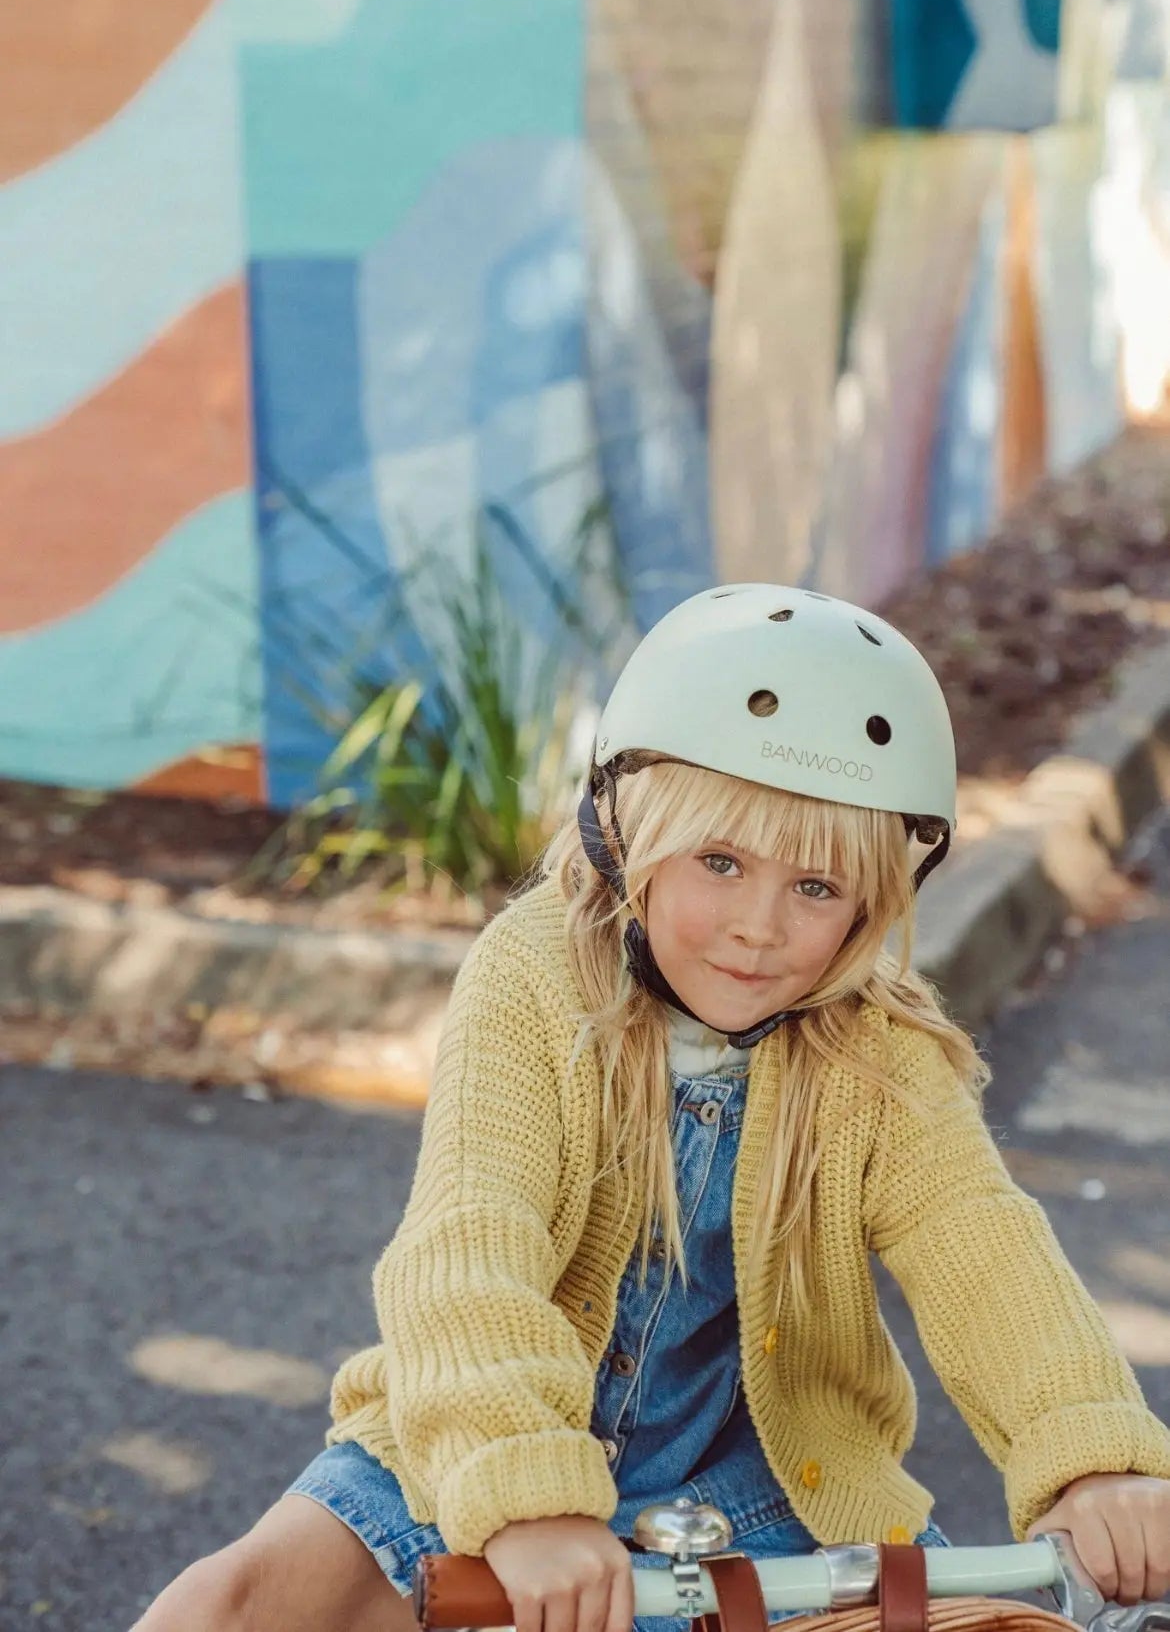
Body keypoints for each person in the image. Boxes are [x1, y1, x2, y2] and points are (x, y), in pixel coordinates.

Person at [134, 585, 1170, 1632]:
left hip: (759, 1491)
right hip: (474, 1442)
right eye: (720, 862)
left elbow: (982, 1247)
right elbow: (467, 1241)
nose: (758, 928)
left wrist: (1092, 1458)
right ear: (627, 831)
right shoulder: (536, 976)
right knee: (229, 1605)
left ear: (875, 900)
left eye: (816, 887)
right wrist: (526, 1492)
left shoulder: (876, 1039)